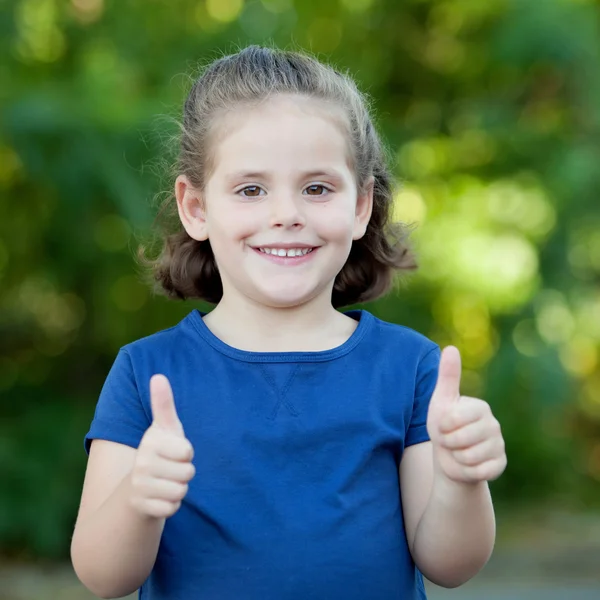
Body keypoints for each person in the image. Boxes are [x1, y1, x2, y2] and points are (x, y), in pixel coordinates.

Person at [70, 46, 507, 600]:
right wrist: (139, 496)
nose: (286, 213)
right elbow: (103, 577)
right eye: (251, 189)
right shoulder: (147, 373)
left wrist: (463, 480)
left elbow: (452, 564)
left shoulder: (412, 368)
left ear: (361, 205)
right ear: (197, 207)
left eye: (317, 187)